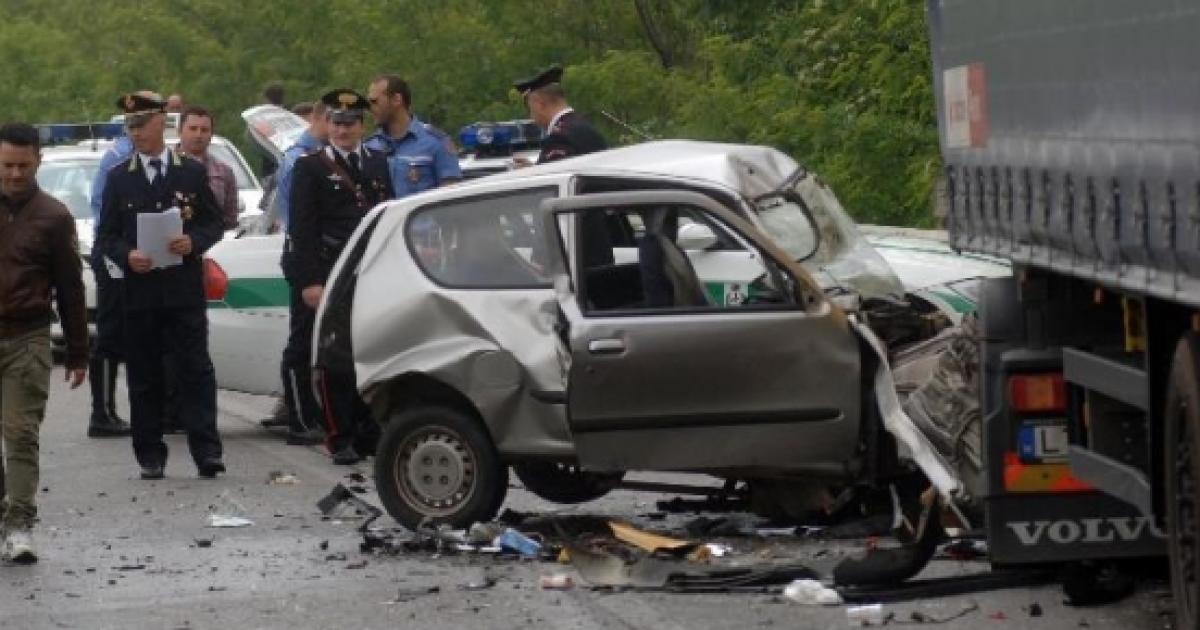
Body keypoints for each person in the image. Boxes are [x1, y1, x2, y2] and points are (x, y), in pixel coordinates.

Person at [95, 92, 226, 480]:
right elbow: (106, 236)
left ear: (161, 124)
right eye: (130, 126)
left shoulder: (190, 172)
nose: (136, 133)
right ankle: (150, 452)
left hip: (182, 288)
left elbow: (213, 222)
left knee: (196, 370)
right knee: (145, 373)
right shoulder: (120, 177)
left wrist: (194, 242)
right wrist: (127, 254)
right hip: (141, 291)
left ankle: (207, 451)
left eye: (142, 125)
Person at [0, 122, 89, 563]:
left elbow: (71, 289)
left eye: (23, 165)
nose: (15, 174)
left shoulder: (54, 217)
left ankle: (19, 523)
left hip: (27, 338)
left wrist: (77, 352)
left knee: (20, 434)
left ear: (38, 161)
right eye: (7, 165)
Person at [290, 89, 393, 464]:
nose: (342, 130)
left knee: (371, 351)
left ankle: (370, 430)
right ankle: (340, 434)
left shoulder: (378, 163)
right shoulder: (311, 167)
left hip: (370, 270)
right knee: (334, 358)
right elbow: (303, 230)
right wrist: (310, 281)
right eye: (336, 123)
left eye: (349, 123)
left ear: (361, 126)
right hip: (332, 270)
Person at [274, 99, 329, 445]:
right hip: (304, 255)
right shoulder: (299, 159)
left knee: (319, 342)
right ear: (321, 119)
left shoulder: (322, 155)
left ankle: (312, 414)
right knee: (302, 341)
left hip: (322, 255)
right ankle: (298, 418)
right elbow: (299, 221)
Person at [364, 74, 461, 197]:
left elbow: (451, 198)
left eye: (374, 101)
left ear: (396, 100)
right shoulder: (370, 147)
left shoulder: (435, 142)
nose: (370, 108)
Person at [513, 65, 608, 164]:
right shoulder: (586, 126)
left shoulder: (559, 139)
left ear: (539, 104)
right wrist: (534, 169)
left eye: (529, 110)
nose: (531, 117)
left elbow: (553, 177)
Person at [177, 106, 239, 229]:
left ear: (211, 134)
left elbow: (230, 219)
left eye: (204, 130)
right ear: (179, 131)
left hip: (214, 243)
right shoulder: (164, 166)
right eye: (193, 129)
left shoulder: (224, 172)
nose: (198, 134)